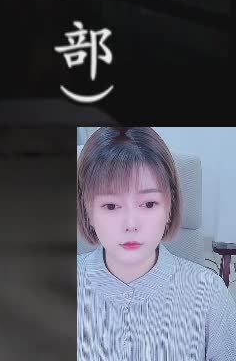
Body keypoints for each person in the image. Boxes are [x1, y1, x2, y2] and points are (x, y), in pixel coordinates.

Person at [76, 127, 236, 360]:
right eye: (111, 206)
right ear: (88, 211)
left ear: (170, 206)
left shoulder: (209, 294)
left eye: (149, 204)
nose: (131, 224)